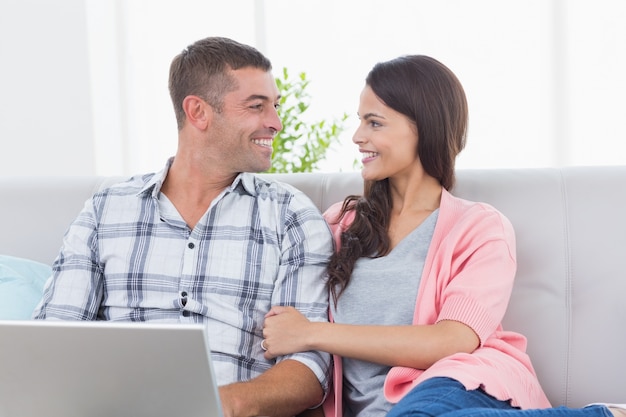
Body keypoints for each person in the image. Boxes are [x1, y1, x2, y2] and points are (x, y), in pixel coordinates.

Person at [260, 55, 626, 417]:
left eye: (374, 123)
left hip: (459, 383)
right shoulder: (339, 224)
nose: (358, 137)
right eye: (360, 122)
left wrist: (311, 333)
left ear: (424, 127)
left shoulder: (479, 227)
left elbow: (452, 340)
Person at [33, 36, 333, 417]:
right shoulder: (106, 210)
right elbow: (53, 341)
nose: (275, 123)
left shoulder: (291, 216)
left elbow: (308, 369)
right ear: (198, 112)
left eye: (274, 106)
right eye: (257, 107)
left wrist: (220, 404)